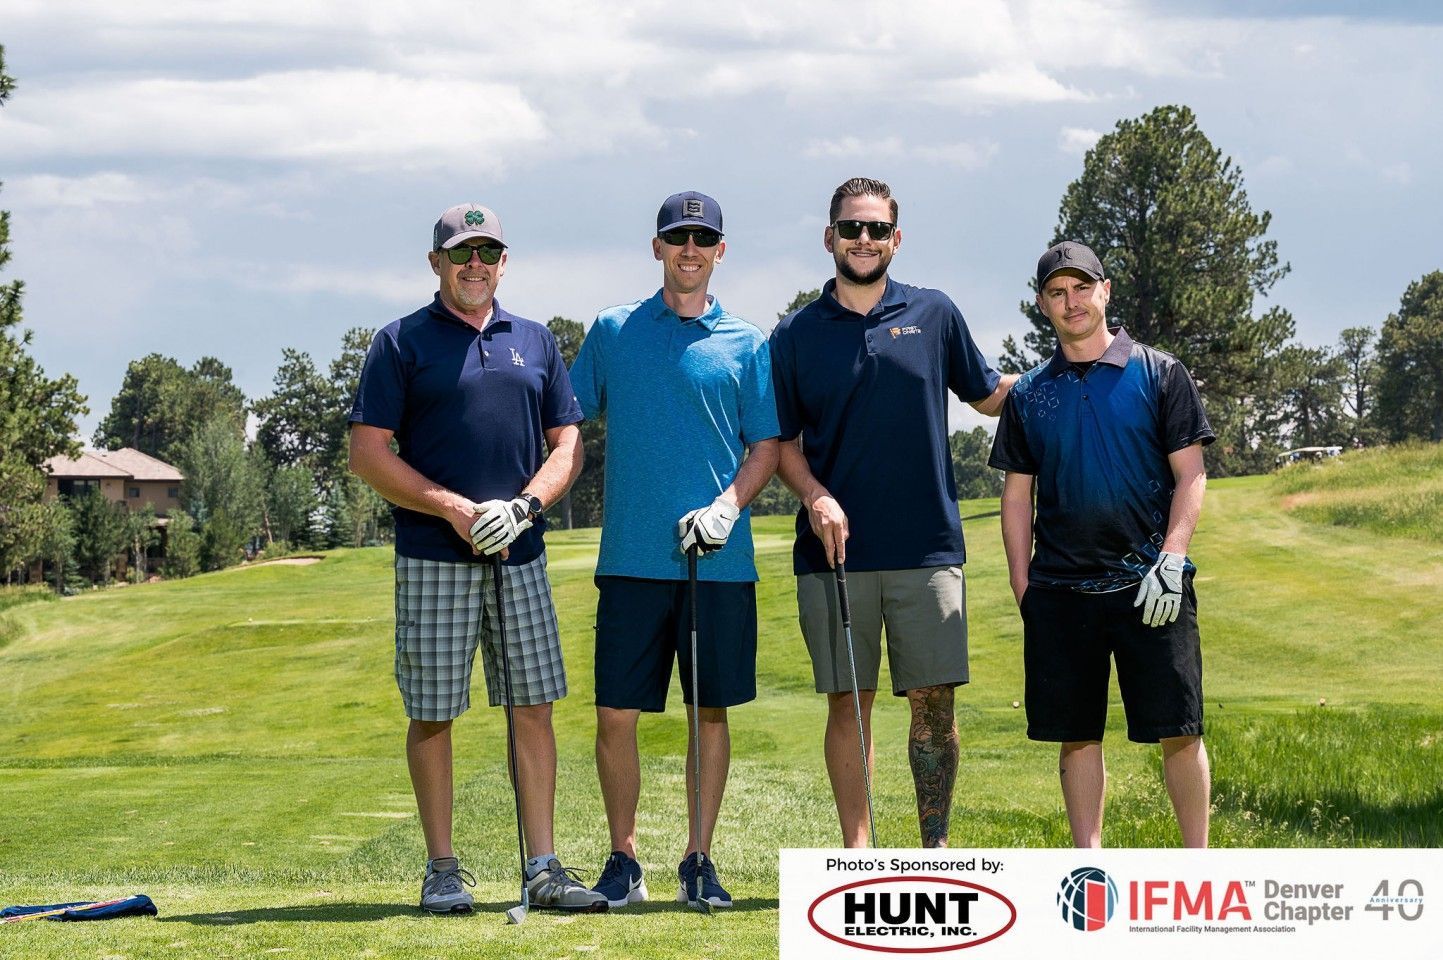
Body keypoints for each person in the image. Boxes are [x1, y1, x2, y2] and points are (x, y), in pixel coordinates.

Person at [348, 203, 607, 913]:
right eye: (461, 253)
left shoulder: (535, 341)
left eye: (487, 252)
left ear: (503, 261)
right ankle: (441, 868)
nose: (475, 265)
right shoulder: (400, 343)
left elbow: (567, 445)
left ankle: (544, 868)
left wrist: (523, 507)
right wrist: (454, 509)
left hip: (520, 553)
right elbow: (368, 453)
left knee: (533, 706)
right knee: (433, 712)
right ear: (436, 263)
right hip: (434, 554)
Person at [770, 177, 1015, 848]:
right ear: (829, 238)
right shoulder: (794, 334)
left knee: (934, 706)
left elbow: (988, 395)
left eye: (876, 229)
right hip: (834, 556)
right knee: (850, 706)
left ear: (895, 239)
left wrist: (1074, 370)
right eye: (851, 228)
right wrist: (816, 496)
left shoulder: (933, 314)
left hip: (927, 546)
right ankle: (859, 852)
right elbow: (782, 446)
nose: (863, 240)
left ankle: (933, 845)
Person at [570, 191, 780, 909]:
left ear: (720, 251)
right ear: (656, 247)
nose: (689, 249)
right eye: (676, 237)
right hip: (630, 558)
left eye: (703, 238)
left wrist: (727, 508)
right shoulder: (613, 330)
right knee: (614, 716)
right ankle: (623, 858)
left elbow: (766, 447)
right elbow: (564, 420)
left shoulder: (747, 342)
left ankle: (699, 857)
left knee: (709, 713)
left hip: (718, 561)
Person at [988, 240, 1214, 848]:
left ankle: (1200, 866)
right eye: (1057, 293)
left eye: (1082, 288)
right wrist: (1022, 582)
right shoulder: (1031, 392)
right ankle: (1089, 867)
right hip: (1061, 590)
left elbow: (1190, 474)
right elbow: (1017, 495)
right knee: (1077, 732)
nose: (1072, 302)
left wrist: (1172, 556)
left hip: (1152, 584)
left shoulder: (1160, 373)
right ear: (1042, 305)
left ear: (1104, 290)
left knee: (1180, 729)